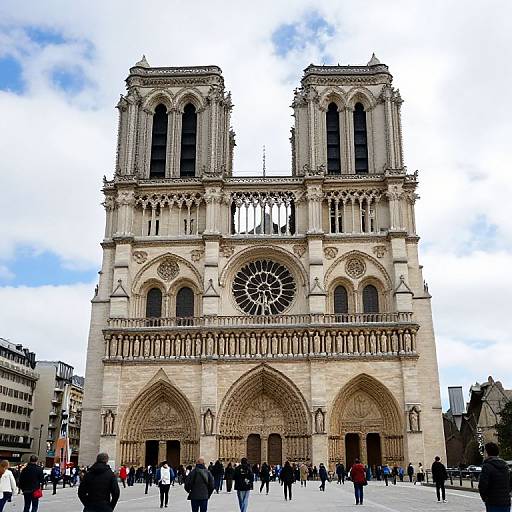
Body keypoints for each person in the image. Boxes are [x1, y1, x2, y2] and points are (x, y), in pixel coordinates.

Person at [478, 442, 512, 512]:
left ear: (487, 453)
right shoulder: (505, 466)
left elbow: (482, 485)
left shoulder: (487, 466)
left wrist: (485, 498)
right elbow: (510, 483)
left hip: (493, 501)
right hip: (506, 502)